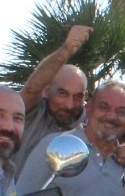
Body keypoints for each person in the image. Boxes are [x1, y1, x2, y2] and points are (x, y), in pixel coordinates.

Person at [14, 23, 92, 168]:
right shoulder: (31, 115)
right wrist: (66, 49)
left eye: (78, 97)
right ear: (46, 90)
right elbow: (31, 89)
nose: (69, 105)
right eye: (62, 93)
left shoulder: (90, 124)